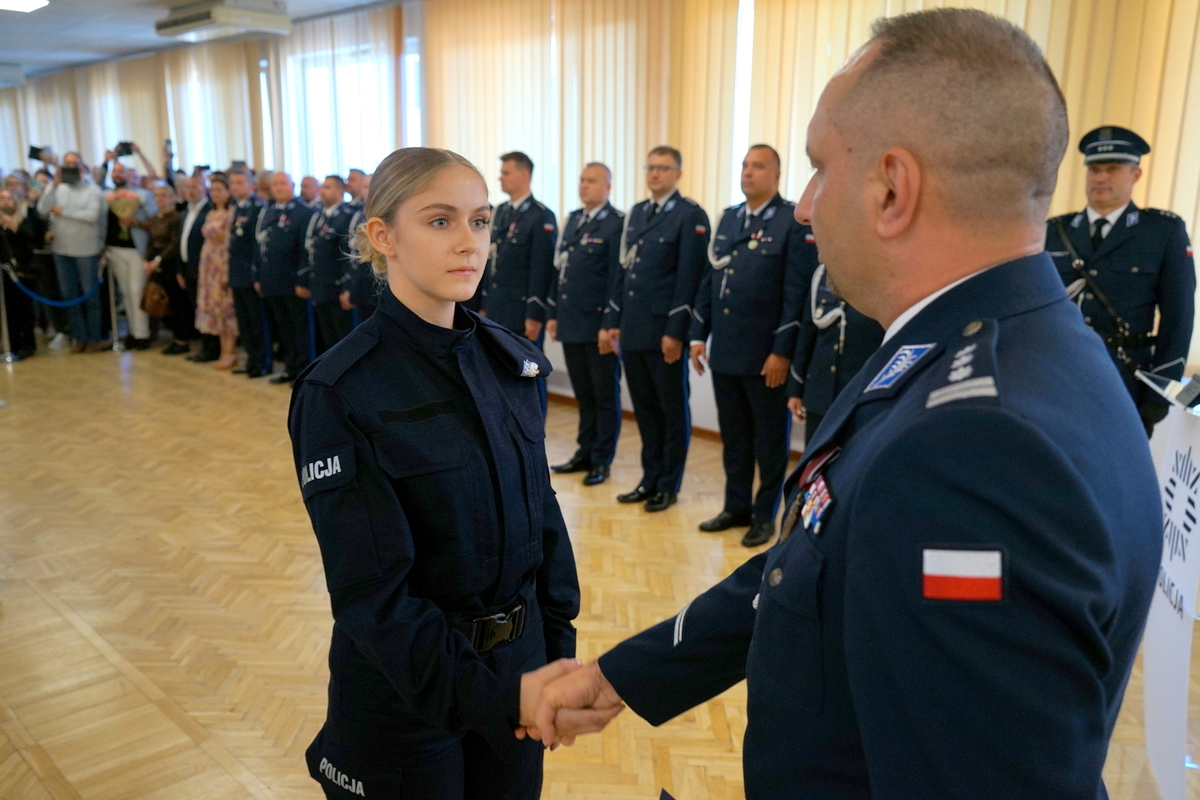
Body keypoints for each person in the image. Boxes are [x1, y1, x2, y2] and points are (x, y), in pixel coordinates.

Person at [529, 10, 1164, 799]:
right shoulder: (988, 343)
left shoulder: (973, 448)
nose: (804, 206)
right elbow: (818, 560)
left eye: (820, 169)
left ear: (893, 188)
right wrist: (625, 674)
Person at [288, 146, 582, 799]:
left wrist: (556, 654)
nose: (469, 242)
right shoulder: (340, 392)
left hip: (519, 665)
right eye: (441, 221)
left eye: (479, 221)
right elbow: (374, 598)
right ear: (383, 236)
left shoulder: (513, 364)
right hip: (407, 699)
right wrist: (501, 698)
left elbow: (544, 521)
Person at [689, 144, 816, 547]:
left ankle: (764, 516)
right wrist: (698, 334)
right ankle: (736, 507)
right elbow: (711, 280)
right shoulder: (729, 218)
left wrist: (782, 351)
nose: (748, 172)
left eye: (758, 166)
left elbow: (797, 294)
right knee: (735, 438)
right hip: (726, 350)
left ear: (776, 175)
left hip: (765, 356)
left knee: (769, 442)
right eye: (745, 165)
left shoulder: (791, 221)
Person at [1044, 125, 1195, 437]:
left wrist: (1158, 395)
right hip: (1054, 376)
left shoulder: (1162, 232)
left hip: (1123, 381)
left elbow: (1178, 317)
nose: (1100, 177)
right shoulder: (1054, 231)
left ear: (1135, 174)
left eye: (1113, 169)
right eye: (1094, 169)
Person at [605, 146, 710, 513]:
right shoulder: (638, 213)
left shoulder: (689, 215)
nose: (655, 174)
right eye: (650, 167)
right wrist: (614, 320)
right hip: (634, 328)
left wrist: (676, 331)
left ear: (677, 173)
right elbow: (624, 271)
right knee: (646, 410)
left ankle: (668, 484)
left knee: (671, 410)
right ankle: (648, 479)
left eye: (663, 168)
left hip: (664, 331)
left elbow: (690, 277)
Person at [546, 163, 625, 486]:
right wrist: (553, 312)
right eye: (582, 180)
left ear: (607, 187)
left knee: (604, 395)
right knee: (584, 394)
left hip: (598, 326)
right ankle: (585, 451)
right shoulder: (575, 220)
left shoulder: (617, 223)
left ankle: (601, 459)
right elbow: (560, 270)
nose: (584, 185)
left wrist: (610, 323)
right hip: (572, 321)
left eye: (591, 181)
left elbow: (617, 279)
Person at [480, 152, 557, 411]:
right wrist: (485, 304)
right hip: (497, 309)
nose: (500, 177)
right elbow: (491, 263)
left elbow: (541, 269)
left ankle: (535, 427)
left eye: (506, 172)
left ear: (524, 175)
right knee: (500, 374)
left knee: (529, 374)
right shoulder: (500, 212)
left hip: (521, 311)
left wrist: (534, 315)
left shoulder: (541, 216)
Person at [786, 263, 884, 443]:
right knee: (815, 453)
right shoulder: (823, 273)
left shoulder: (880, 274)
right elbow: (807, 333)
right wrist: (796, 389)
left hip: (858, 392)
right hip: (819, 390)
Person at [36, 151, 106, 353]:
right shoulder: (57, 188)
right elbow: (42, 209)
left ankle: (94, 338)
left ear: (82, 166)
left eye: (74, 163)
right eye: (66, 163)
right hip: (61, 250)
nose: (70, 167)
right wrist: (53, 185)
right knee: (69, 296)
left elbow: (91, 216)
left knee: (90, 296)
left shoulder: (93, 189)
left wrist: (63, 212)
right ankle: (79, 338)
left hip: (86, 250)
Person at [254, 171, 313, 385]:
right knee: (283, 326)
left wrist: (302, 280)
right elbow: (260, 245)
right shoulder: (268, 211)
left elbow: (306, 249)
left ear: (292, 186)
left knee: (300, 327)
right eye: (275, 184)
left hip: (292, 280)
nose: (278, 187)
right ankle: (290, 367)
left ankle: (304, 371)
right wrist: (258, 275)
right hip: (272, 279)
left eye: (283, 183)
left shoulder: (304, 212)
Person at [102, 159, 158, 350]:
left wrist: (135, 222)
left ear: (129, 174)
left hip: (136, 250)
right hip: (115, 249)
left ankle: (143, 334)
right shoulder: (107, 196)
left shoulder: (142, 195)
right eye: (115, 171)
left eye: (121, 171)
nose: (118, 174)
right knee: (125, 292)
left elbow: (154, 218)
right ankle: (133, 332)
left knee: (137, 291)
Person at [298, 175, 356, 353]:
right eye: (322, 187)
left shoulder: (347, 217)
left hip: (336, 288)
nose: (322, 191)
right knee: (327, 339)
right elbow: (309, 250)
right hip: (320, 287)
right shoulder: (318, 217)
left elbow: (349, 256)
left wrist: (347, 288)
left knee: (343, 339)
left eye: (327, 187)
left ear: (340, 191)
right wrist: (306, 281)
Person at [227, 168, 270, 378]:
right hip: (236, 272)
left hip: (250, 273)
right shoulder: (237, 207)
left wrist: (256, 274)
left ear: (251, 186)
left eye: (240, 183)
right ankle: (251, 359)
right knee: (244, 321)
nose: (234, 187)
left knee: (256, 321)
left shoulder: (257, 208)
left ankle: (262, 362)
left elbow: (257, 245)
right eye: (232, 183)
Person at [137, 185, 189, 352]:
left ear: (173, 198)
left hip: (171, 263)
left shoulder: (177, 218)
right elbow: (151, 242)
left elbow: (174, 243)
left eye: (164, 195)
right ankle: (172, 335)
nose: (160, 199)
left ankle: (181, 339)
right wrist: (146, 260)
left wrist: (158, 260)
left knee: (177, 301)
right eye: (157, 196)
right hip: (156, 265)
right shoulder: (154, 218)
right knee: (161, 299)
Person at [195, 173, 239, 369]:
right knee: (214, 308)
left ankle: (230, 351)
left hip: (221, 264)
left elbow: (229, 243)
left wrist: (225, 270)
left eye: (220, 190)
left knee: (225, 309)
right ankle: (223, 350)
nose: (215, 194)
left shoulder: (231, 214)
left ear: (228, 191)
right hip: (209, 266)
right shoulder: (211, 213)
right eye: (212, 190)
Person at [0, 188, 37, 358]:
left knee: (23, 310)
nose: (6, 201)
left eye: (9, 198)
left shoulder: (23, 220)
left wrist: (13, 226)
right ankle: (10, 344)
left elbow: (31, 241)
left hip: (21, 272)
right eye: (2, 198)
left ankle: (27, 344)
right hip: (3, 273)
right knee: (7, 311)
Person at [176, 174, 210, 357]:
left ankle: (210, 347)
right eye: (187, 187)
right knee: (196, 308)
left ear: (204, 189)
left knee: (206, 309)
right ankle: (204, 346)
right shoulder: (187, 211)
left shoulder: (209, 210)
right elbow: (182, 240)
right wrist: (180, 269)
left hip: (204, 269)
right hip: (188, 268)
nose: (190, 191)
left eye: (195, 187)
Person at [340, 174, 379, 321]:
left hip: (380, 285)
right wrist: (349, 286)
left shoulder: (388, 215)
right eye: (365, 187)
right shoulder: (357, 215)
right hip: (361, 285)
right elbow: (351, 252)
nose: (368, 191)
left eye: (371, 187)